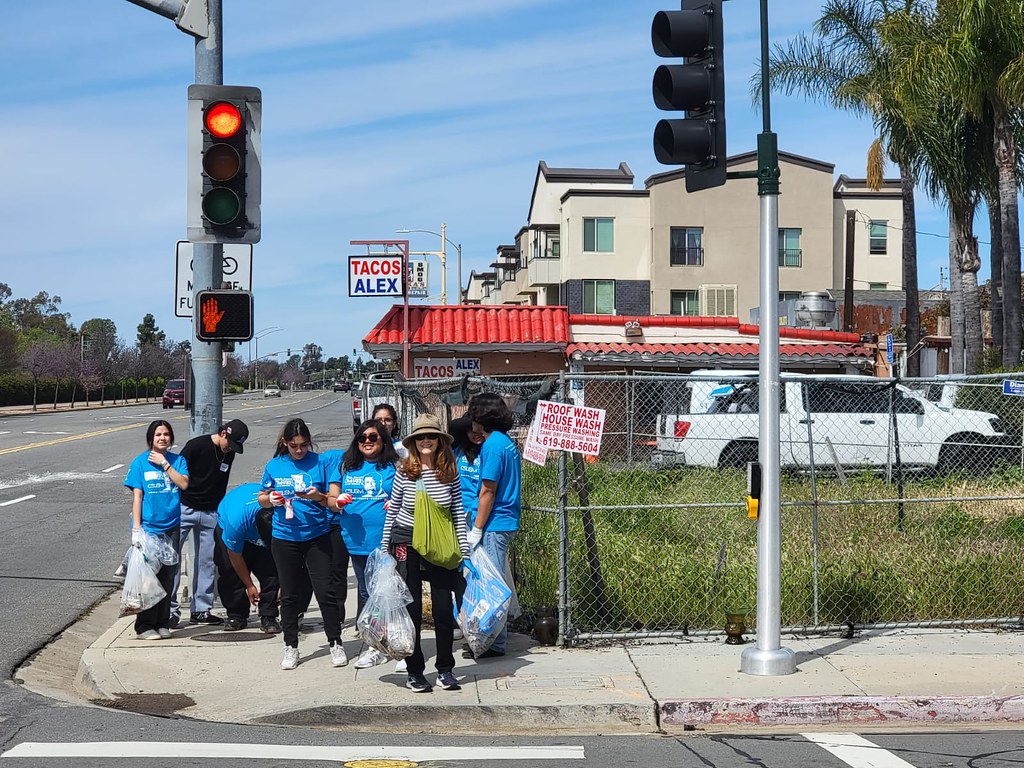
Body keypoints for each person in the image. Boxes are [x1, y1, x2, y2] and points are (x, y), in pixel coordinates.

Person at [381, 413, 474, 693]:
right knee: (412, 611)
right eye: (420, 437)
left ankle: (445, 669)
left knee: (444, 610)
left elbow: (457, 512)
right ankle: (415, 671)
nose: (426, 441)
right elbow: (393, 510)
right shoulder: (404, 471)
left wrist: (465, 551)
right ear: (413, 442)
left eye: (431, 436)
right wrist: (384, 549)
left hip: (441, 545)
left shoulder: (450, 471)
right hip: (407, 541)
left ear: (439, 441)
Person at [258, 418, 345, 670]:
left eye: (303, 445)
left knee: (325, 591)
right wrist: (271, 498)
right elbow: (262, 497)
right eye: (294, 446)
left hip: (316, 536)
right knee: (289, 595)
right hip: (285, 538)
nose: (299, 451)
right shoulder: (275, 465)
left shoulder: (319, 463)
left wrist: (316, 496)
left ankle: (335, 642)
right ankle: (291, 646)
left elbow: (330, 500)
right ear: (285, 443)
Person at [327, 419, 399, 669]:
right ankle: (376, 644)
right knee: (368, 592)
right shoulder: (347, 467)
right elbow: (331, 499)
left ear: (383, 440)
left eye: (373, 437)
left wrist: (397, 505)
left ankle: (393, 642)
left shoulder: (394, 466)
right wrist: (338, 503)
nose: (367, 442)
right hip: (356, 541)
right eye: (362, 438)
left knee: (390, 592)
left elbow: (411, 493)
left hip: (387, 539)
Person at [170, 419, 249, 628]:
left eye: (234, 447)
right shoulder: (196, 446)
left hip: (211, 511)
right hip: (185, 507)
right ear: (223, 433)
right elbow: (178, 473)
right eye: (229, 443)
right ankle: (170, 610)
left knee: (207, 561)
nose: (230, 449)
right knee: (173, 559)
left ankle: (201, 609)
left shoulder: (229, 452)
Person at [464, 393, 522, 658]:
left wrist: (477, 528)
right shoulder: (504, 442)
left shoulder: (493, 446)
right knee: (492, 580)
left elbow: (488, 490)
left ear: (481, 418)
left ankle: (494, 641)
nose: (471, 423)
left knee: (490, 583)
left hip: (494, 522)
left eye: (473, 416)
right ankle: (492, 637)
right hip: (503, 520)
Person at [214, 482, 313, 634]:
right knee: (229, 570)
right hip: (228, 523)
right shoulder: (237, 522)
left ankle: (269, 615)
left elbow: (287, 558)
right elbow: (235, 557)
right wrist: (249, 585)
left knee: (271, 570)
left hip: (269, 530)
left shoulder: (285, 514)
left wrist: (284, 585)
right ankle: (236, 614)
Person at [123, 420, 190, 640]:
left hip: (172, 526)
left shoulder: (177, 461)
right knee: (149, 579)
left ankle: (163, 623)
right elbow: (137, 496)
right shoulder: (140, 463)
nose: (163, 438)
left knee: (168, 576)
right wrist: (136, 530)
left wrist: (165, 464)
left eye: (166, 434)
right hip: (149, 529)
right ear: (151, 438)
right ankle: (144, 626)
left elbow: (184, 484)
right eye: (158, 434)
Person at [448, 416, 486, 640]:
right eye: (471, 430)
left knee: (476, 569)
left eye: (479, 430)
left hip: (478, 517)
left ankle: (478, 617)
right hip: (457, 516)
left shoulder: (487, 452)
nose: (475, 434)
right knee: (458, 569)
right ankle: (459, 616)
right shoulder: (458, 452)